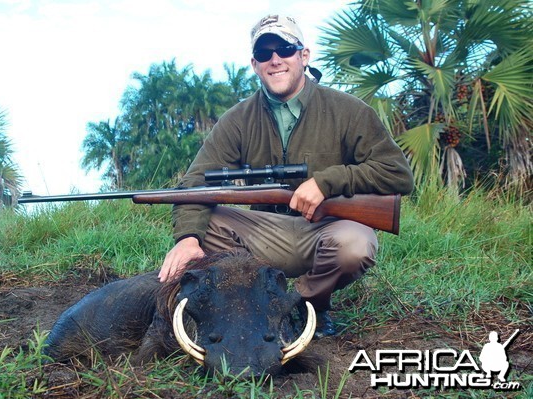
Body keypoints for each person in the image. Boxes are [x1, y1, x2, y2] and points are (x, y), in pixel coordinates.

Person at [159, 14, 414, 338]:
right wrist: (188, 239)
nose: (275, 60)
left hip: (325, 227)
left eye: (285, 49)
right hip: (264, 236)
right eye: (265, 53)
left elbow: (398, 174)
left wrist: (327, 183)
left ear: (303, 56)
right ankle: (251, 300)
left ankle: (303, 304)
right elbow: (195, 183)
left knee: (355, 244)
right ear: (255, 63)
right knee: (204, 223)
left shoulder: (348, 110)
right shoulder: (237, 119)